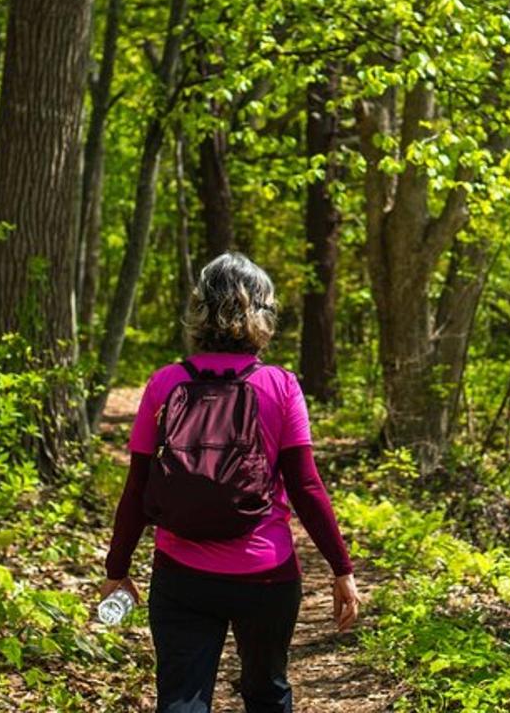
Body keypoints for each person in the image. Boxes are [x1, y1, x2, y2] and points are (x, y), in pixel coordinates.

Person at [100, 252, 360, 713]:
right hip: (266, 575)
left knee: (181, 698)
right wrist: (342, 569)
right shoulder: (280, 385)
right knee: (267, 692)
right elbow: (306, 486)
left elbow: (138, 487)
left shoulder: (165, 383)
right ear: (262, 312)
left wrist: (116, 570)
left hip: (180, 574)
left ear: (200, 309)